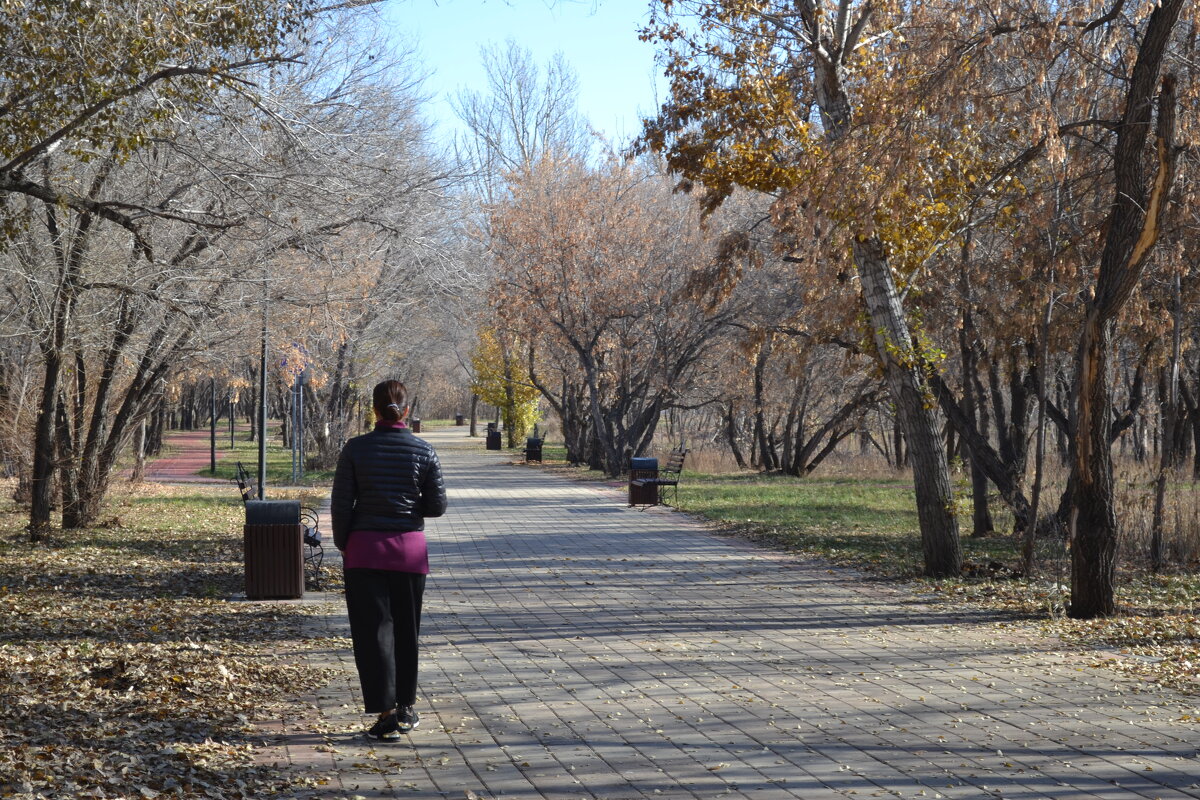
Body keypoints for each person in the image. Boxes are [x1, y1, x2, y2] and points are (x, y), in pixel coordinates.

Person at [331, 379, 447, 741]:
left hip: (364, 551)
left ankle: (385, 715)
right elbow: (437, 506)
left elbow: (340, 505)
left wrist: (345, 545)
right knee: (405, 631)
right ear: (406, 410)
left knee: (373, 634)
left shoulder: (355, 449)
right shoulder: (424, 450)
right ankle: (407, 707)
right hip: (409, 553)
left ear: (374, 410)